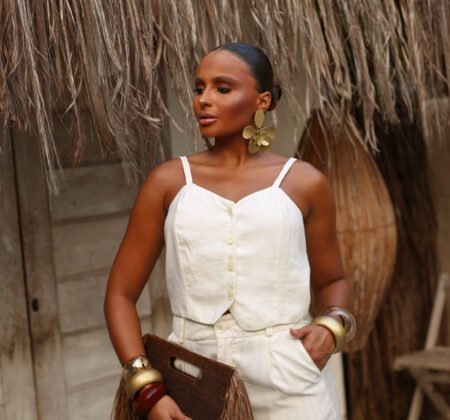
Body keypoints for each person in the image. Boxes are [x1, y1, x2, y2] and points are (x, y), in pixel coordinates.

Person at [104, 42, 355, 420]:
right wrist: (147, 389)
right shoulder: (168, 182)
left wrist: (332, 326)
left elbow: (333, 280)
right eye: (199, 88)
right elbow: (119, 296)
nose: (203, 100)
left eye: (222, 88)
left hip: (291, 380)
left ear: (262, 101)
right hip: (193, 380)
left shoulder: (304, 182)